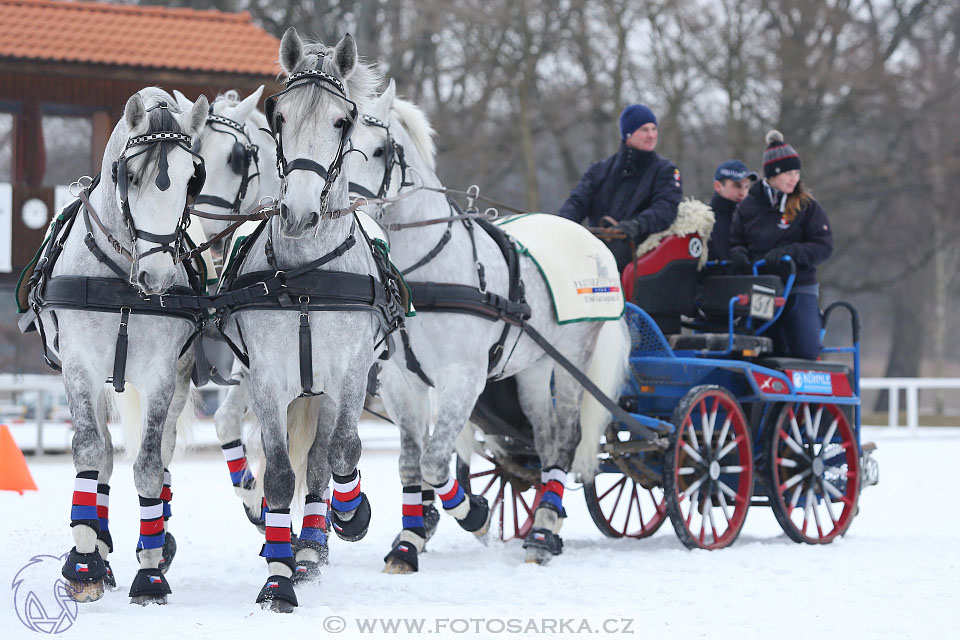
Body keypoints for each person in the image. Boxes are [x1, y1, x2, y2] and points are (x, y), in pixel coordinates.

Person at [730, 130, 833, 361]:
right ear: (772, 174)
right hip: (762, 288)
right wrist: (740, 255)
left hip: (799, 286)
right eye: (788, 173)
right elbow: (737, 241)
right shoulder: (748, 207)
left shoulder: (808, 206)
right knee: (762, 348)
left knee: (805, 349)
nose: (793, 178)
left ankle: (803, 393)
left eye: (796, 172)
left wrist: (791, 253)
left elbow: (824, 245)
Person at [558, 104, 682, 272]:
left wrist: (636, 225)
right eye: (644, 130)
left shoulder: (665, 170)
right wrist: (560, 225)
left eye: (654, 129)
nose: (652, 135)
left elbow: (665, 208)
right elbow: (577, 202)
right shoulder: (600, 170)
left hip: (638, 246)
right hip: (598, 244)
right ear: (628, 134)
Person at [708, 160, 757, 260]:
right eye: (737, 186)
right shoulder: (706, 220)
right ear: (718, 186)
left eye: (747, 186)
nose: (743, 192)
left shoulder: (753, 216)